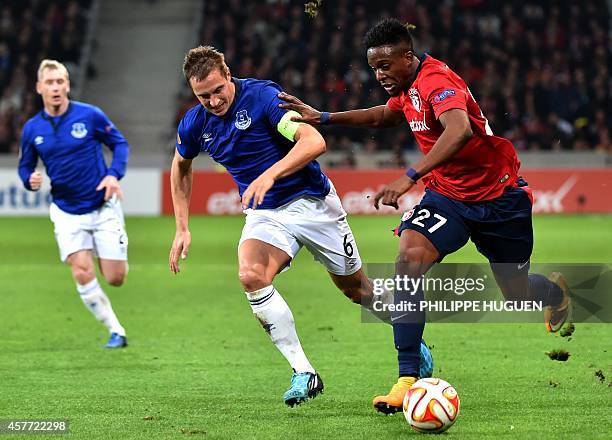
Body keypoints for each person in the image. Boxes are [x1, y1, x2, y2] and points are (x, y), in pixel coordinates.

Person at [279, 18, 571, 414]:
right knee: (407, 261)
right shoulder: (408, 88)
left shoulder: (436, 81)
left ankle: (554, 292)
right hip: (448, 196)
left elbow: (460, 130)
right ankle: (407, 378)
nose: (379, 74)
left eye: (385, 65)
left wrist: (409, 176)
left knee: (516, 290)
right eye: (373, 68)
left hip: (499, 198)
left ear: (408, 56)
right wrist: (326, 118)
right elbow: (384, 115)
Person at [169, 45, 433, 407]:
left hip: (314, 205)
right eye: (203, 96)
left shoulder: (263, 97)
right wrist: (182, 227)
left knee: (356, 290)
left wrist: (269, 174)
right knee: (251, 275)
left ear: (228, 75)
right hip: (266, 214)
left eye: (218, 90)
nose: (213, 101)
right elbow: (180, 166)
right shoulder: (194, 123)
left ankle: (410, 338)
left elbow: (313, 140)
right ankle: (303, 372)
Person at [18, 59, 130, 349]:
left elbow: (120, 144)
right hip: (66, 211)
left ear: (67, 85)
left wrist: (113, 175)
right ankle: (116, 330)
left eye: (60, 82)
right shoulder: (32, 129)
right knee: (81, 271)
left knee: (116, 278)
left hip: (102, 205)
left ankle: (100, 248)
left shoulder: (90, 116)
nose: (55, 87)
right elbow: (25, 166)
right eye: (50, 82)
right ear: (39, 87)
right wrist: (28, 178)